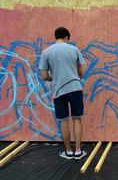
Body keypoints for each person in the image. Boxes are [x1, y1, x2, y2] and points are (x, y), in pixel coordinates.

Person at [39, 27, 87, 159]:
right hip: (75, 88)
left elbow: (44, 75)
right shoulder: (74, 49)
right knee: (77, 119)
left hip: (58, 90)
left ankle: (68, 151)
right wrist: (76, 77)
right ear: (66, 37)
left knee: (63, 121)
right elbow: (82, 70)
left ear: (56, 37)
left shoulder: (46, 52)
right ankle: (78, 151)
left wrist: (55, 78)